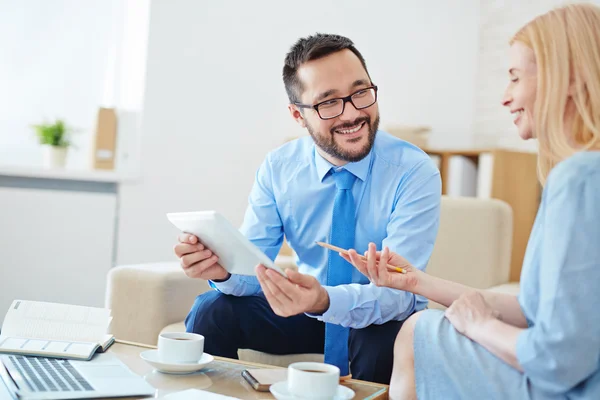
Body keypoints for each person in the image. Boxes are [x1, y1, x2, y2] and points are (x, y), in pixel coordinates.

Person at [343, 3, 600, 398]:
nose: (505, 97)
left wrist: (480, 325)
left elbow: (557, 360)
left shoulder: (580, 178)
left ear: (566, 78)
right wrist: (417, 282)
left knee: (417, 332)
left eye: (515, 78)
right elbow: (538, 313)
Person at [173, 33, 441, 383]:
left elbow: (399, 293)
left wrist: (326, 300)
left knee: (379, 335)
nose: (353, 113)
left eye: (360, 92)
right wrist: (221, 269)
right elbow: (256, 269)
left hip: (380, 315)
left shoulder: (414, 171)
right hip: (307, 310)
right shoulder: (279, 168)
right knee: (212, 309)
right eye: (328, 102)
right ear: (298, 116)